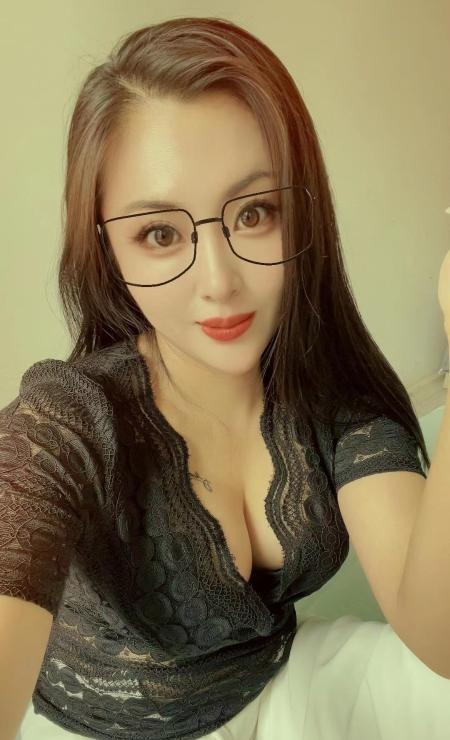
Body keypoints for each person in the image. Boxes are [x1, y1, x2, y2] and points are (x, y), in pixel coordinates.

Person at [2, 15, 450, 740]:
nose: (219, 282)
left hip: (277, 684)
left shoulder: (335, 398)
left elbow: (441, 637)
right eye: (160, 233)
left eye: (254, 213)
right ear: (108, 249)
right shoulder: (70, 417)